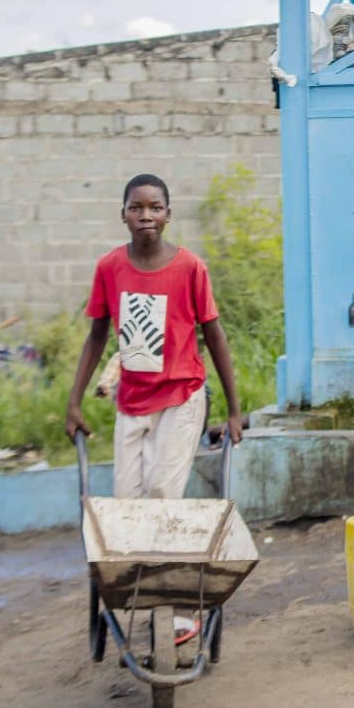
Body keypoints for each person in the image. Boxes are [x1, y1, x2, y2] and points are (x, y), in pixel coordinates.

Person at [65, 173, 242, 499]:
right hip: (132, 399)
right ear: (123, 214)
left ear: (168, 215)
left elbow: (215, 336)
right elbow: (96, 337)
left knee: (161, 492)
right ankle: (141, 552)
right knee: (126, 499)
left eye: (155, 208)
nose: (145, 216)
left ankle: (159, 550)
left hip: (182, 395)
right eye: (136, 208)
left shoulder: (189, 267)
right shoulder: (110, 267)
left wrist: (233, 410)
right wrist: (73, 402)